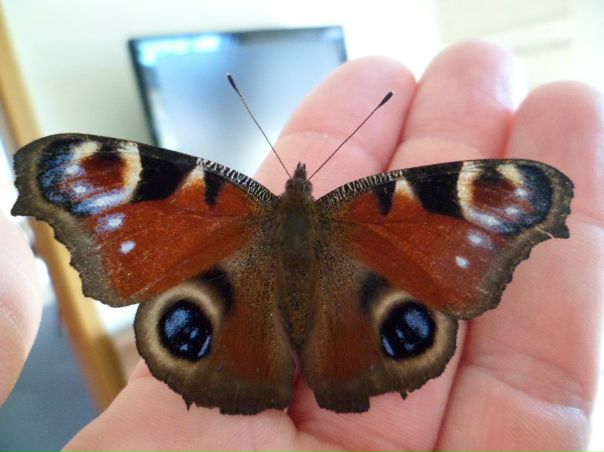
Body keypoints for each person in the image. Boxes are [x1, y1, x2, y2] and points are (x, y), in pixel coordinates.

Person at [1, 41, 601, 451]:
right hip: (358, 298)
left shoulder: (210, 199)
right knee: (395, 306)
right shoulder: (385, 206)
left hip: (229, 295)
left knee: (201, 304)